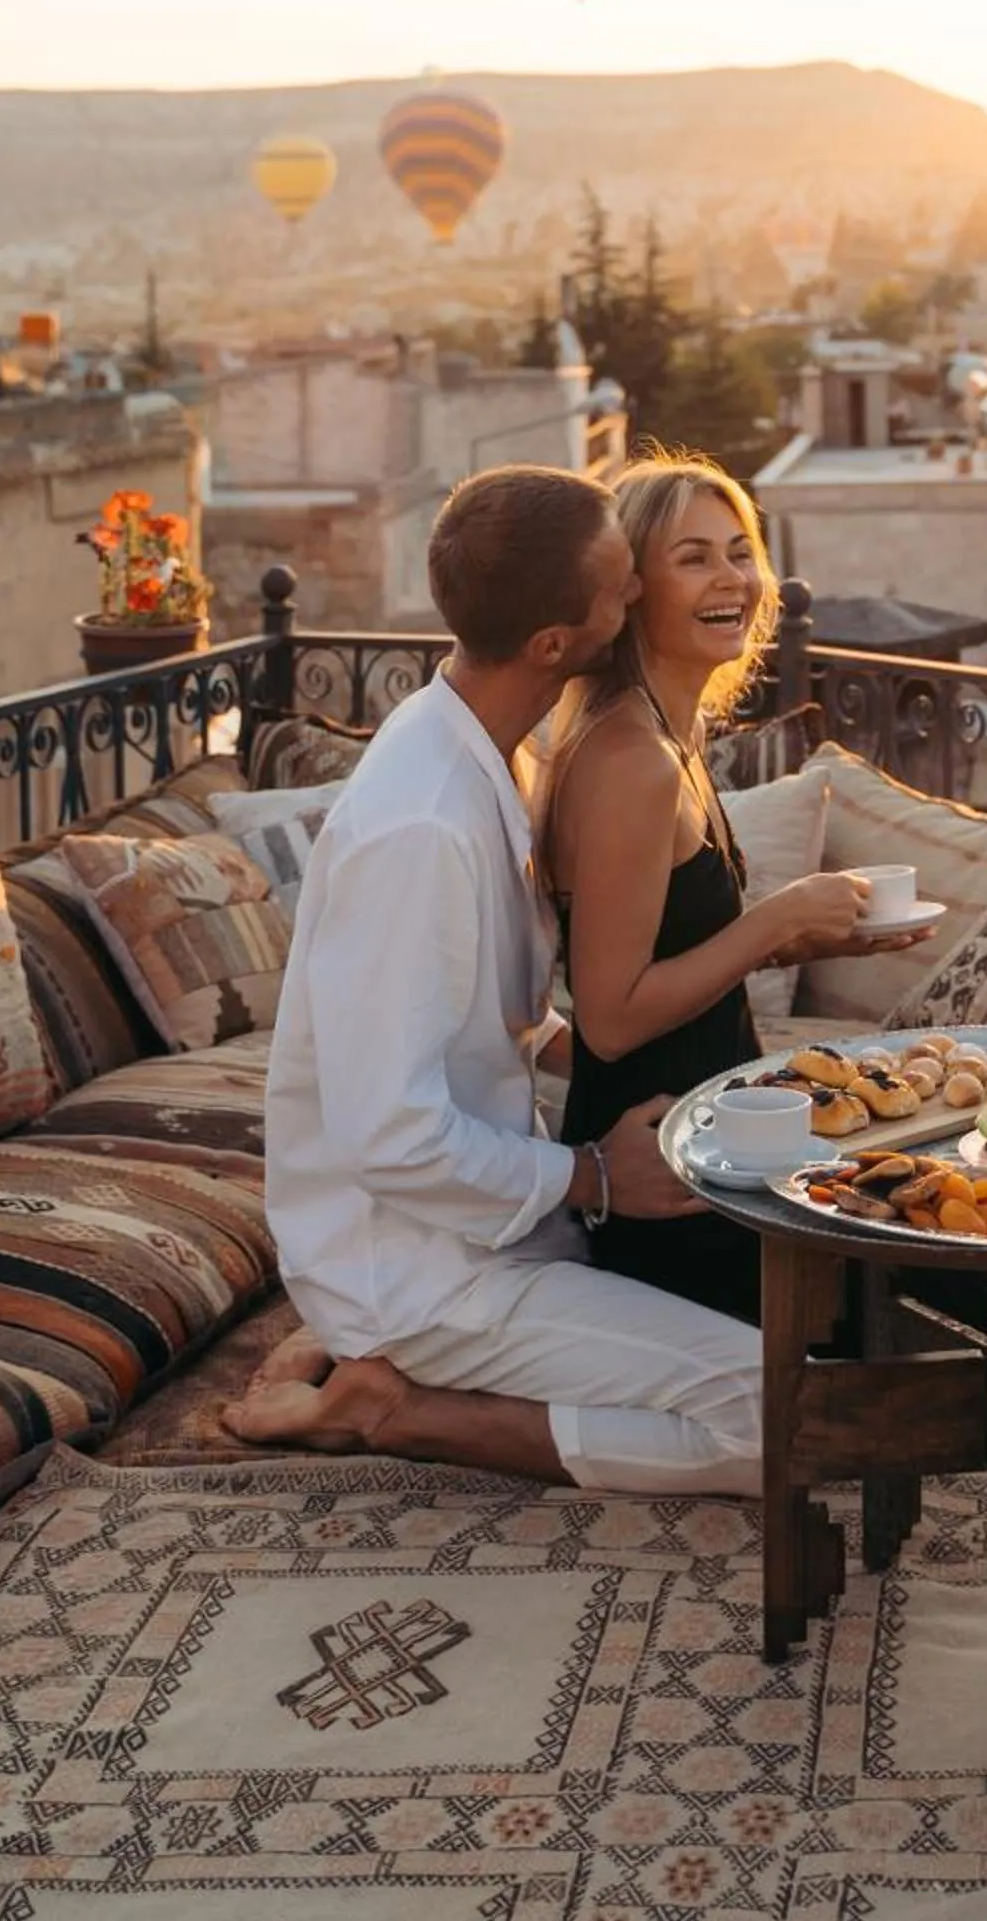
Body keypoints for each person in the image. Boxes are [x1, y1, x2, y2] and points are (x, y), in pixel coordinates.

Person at [223, 463, 765, 1495]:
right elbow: (391, 1132)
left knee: (758, 1340)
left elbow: (499, 1018)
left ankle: (353, 1360)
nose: (642, 595)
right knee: (779, 1415)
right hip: (422, 1270)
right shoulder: (423, 824)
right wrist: (598, 1176)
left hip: (489, 1217)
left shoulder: (483, 753)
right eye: (624, 585)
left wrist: (599, 1058)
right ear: (557, 644)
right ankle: (395, 1407)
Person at [542, 454, 891, 1321]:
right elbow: (612, 1019)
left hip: (723, 1136)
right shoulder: (630, 759)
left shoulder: (673, 728)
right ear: (629, 588)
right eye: (693, 557)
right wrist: (773, 921)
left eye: (740, 550)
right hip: (671, 1182)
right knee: (932, 1262)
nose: (732, 576)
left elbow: (671, 944)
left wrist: (814, 932)